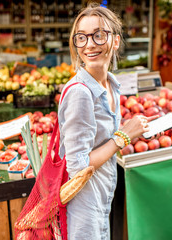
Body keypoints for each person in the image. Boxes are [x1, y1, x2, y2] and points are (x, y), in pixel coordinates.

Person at [58, 3, 155, 240]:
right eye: (81, 37)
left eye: (98, 35)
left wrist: (135, 129)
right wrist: (123, 136)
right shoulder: (80, 92)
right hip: (83, 205)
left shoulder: (112, 84)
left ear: (115, 41)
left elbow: (102, 141)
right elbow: (77, 167)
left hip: (103, 193)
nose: (89, 44)